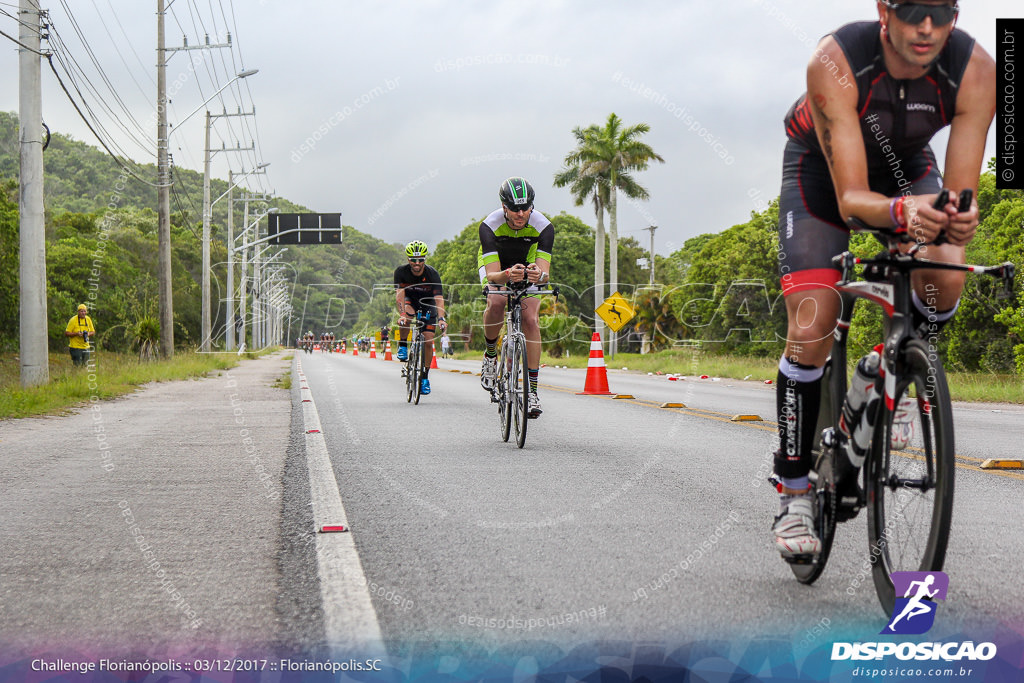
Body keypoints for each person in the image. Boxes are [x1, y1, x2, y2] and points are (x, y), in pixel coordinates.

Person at [771, 0, 995, 560]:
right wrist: (901, 216)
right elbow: (851, 201)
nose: (927, 27)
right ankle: (795, 492)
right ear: (883, 11)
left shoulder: (980, 69)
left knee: (944, 273)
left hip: (906, 164)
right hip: (822, 177)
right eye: (913, 9)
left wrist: (955, 215)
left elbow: (958, 200)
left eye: (942, 12)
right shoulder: (836, 59)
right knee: (814, 320)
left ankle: (890, 364)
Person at [478, 177, 554, 418]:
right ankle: (491, 354)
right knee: (497, 301)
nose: (520, 214)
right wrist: (507, 274)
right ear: (504, 207)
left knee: (531, 319)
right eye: (514, 209)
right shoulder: (489, 226)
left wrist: (538, 275)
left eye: (525, 208)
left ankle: (532, 391)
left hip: (527, 265)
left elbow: (544, 276)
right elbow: (492, 276)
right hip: (498, 266)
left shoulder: (544, 227)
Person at [394, 240, 446, 395]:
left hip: (428, 303)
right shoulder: (401, 272)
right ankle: (403, 345)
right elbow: (399, 294)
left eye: (420, 260)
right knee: (406, 318)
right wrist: (402, 314)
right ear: (408, 259)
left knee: (428, 339)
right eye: (413, 260)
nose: (417, 263)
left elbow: (439, 299)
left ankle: (424, 377)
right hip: (410, 300)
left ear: (425, 259)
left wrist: (441, 318)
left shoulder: (432, 274)